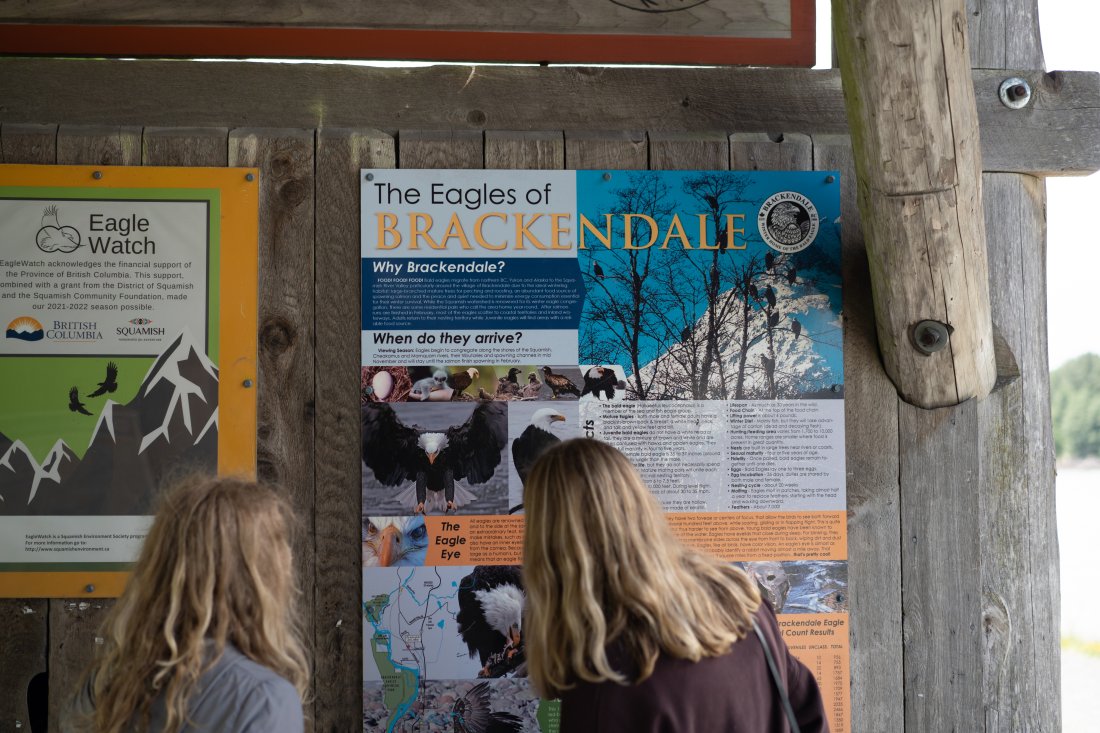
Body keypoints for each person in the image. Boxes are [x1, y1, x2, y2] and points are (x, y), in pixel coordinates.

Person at [522, 439, 829, 733]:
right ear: (640, 507)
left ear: (549, 545)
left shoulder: (606, 680)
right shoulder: (742, 605)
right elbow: (808, 714)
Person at [64, 475, 309, 733]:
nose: (289, 561)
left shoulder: (108, 683)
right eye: (279, 545)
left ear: (160, 565)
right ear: (260, 577)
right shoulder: (265, 700)